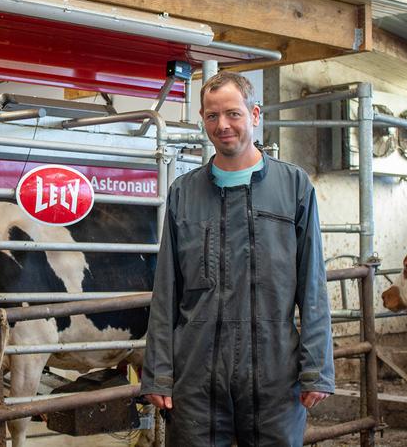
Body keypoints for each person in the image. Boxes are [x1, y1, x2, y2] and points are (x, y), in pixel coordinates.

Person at [141, 71, 334, 446]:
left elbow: (312, 286)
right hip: (196, 377)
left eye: (233, 113)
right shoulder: (184, 192)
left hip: (274, 376)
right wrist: (159, 373)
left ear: (255, 114)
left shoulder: (294, 187)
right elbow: (166, 291)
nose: (222, 125)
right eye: (212, 116)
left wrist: (317, 369)